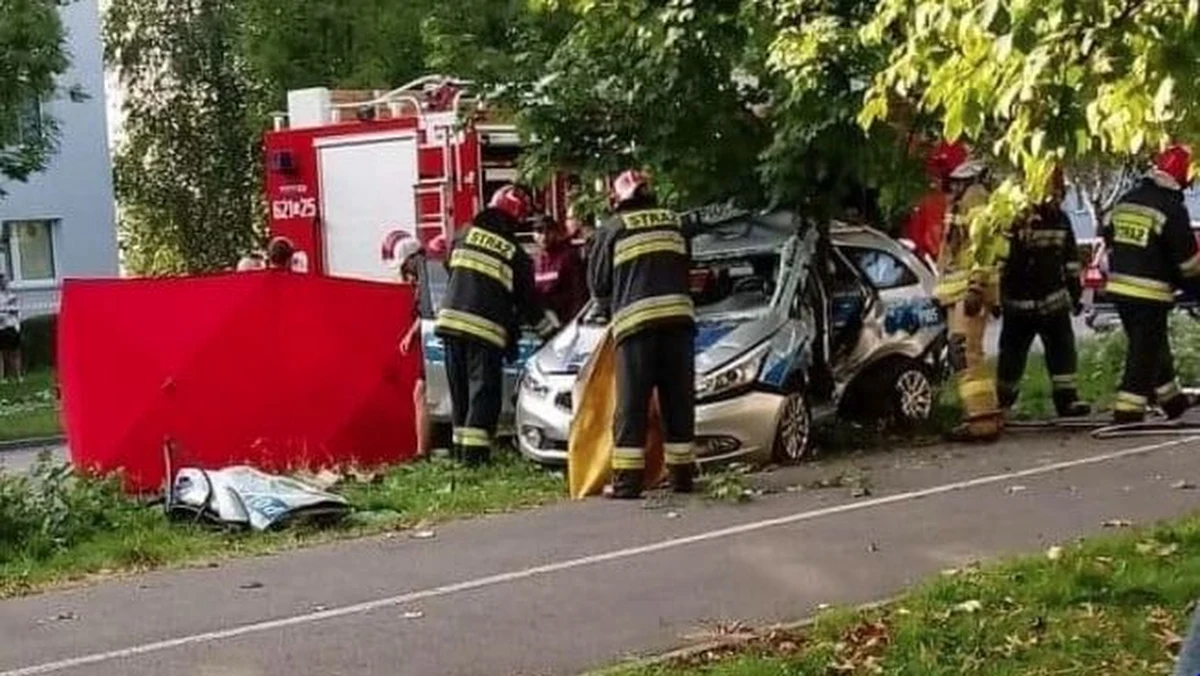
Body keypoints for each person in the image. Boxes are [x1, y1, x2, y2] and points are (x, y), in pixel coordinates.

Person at [587, 170, 696, 498]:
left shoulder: (613, 228)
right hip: (678, 324)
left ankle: (627, 483)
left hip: (636, 329)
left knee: (632, 406)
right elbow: (686, 266)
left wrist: (607, 308)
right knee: (678, 402)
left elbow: (599, 284)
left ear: (618, 198)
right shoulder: (675, 222)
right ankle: (682, 478)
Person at [435, 185, 558, 466]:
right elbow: (528, 303)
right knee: (483, 394)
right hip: (484, 331)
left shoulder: (463, 234)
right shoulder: (515, 254)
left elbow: (449, 267)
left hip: (450, 324)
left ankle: (461, 457)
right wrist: (552, 334)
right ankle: (475, 459)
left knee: (460, 393)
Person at [1104, 144, 1198, 424]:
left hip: (1120, 289)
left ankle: (1172, 400)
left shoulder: (1128, 198)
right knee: (1144, 351)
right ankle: (1128, 410)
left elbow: (1107, 230)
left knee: (1152, 345)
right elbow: (1188, 263)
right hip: (1150, 293)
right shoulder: (1172, 208)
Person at [996, 167, 1091, 418]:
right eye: (1056, 191)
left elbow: (1070, 262)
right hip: (1021, 304)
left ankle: (1067, 400)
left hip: (1050, 303)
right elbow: (1001, 262)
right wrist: (998, 296)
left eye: (1061, 192)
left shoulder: (1060, 219)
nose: (1059, 197)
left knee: (1062, 352)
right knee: (1012, 356)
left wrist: (1075, 294)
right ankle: (1002, 403)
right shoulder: (1016, 220)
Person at [934, 153, 1008, 441]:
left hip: (969, 290)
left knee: (966, 352)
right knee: (963, 352)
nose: (951, 187)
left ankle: (982, 421)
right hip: (960, 291)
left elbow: (983, 247)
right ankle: (982, 415)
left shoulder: (975, 197)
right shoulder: (963, 200)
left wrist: (977, 287)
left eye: (956, 182)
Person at [383, 230, 432, 458]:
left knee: (421, 392)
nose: (407, 277)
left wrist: (411, 334)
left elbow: (426, 312)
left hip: (432, 341)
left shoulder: (425, 280)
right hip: (432, 341)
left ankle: (422, 452)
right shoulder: (427, 275)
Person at [533, 215, 588, 323]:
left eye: (548, 231)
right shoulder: (535, 262)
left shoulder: (568, 257)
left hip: (568, 321)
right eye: (539, 231)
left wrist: (574, 321)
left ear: (556, 233)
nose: (544, 236)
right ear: (533, 235)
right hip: (547, 322)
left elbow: (579, 294)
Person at [0, 274, 21, 382]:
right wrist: (5, 312)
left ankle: (17, 376)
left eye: (6, 282)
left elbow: (16, 310)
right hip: (2, 327)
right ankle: (3, 377)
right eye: (2, 282)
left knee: (15, 352)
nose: (5, 284)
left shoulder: (13, 296)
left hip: (12, 326)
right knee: (3, 353)